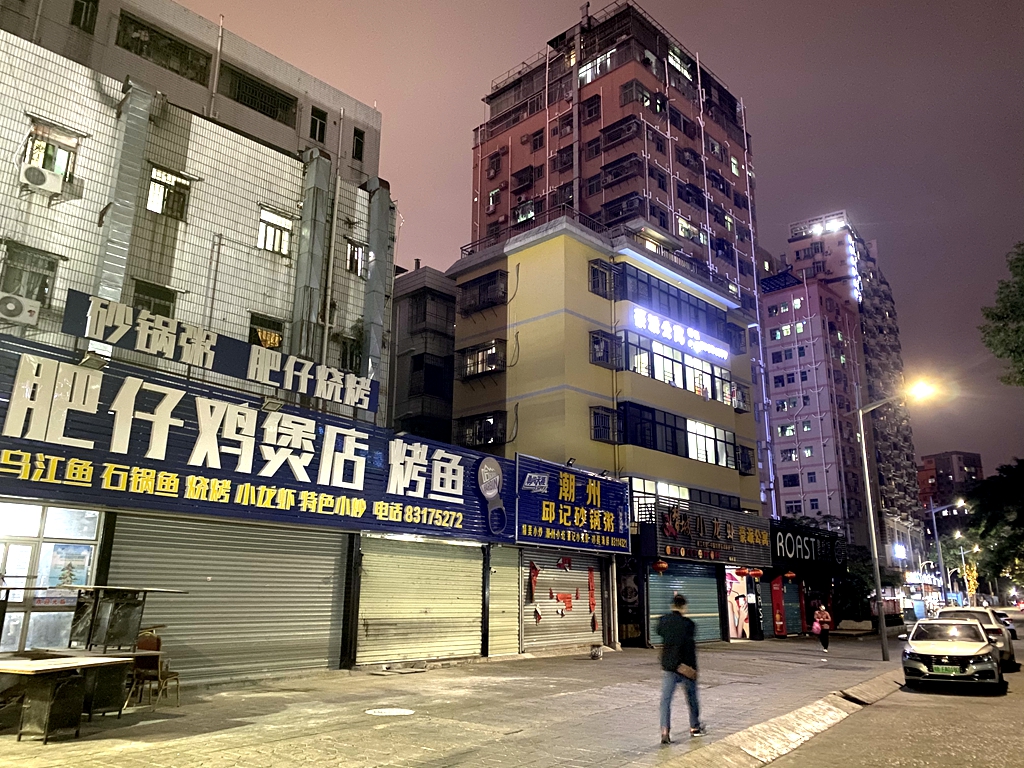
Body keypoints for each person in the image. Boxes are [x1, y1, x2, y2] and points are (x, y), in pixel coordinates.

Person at [657, 594, 706, 744]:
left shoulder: (663, 621)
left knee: (665, 701)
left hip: (669, 667)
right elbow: (689, 647)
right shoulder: (689, 624)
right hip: (685, 667)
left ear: (672, 605)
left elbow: (660, 633)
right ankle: (694, 728)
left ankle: (665, 731)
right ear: (684, 607)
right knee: (692, 699)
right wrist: (693, 670)